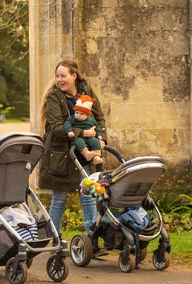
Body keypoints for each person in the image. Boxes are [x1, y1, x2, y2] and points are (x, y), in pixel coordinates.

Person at [39, 59, 108, 256]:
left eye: (63, 76)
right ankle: (56, 238)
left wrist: (101, 138)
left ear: (74, 76)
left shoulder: (86, 91)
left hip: (83, 153)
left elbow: (100, 117)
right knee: (60, 198)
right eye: (57, 76)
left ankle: (91, 240)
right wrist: (83, 133)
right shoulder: (54, 97)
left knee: (87, 194)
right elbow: (57, 127)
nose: (59, 80)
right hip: (61, 153)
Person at [64, 94, 104, 165]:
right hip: (78, 137)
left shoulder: (91, 120)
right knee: (79, 142)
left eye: (81, 114)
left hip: (89, 137)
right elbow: (67, 124)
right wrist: (69, 131)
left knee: (95, 142)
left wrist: (99, 135)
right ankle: (86, 154)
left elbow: (97, 127)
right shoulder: (73, 118)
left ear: (87, 115)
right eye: (76, 112)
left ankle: (96, 157)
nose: (78, 115)